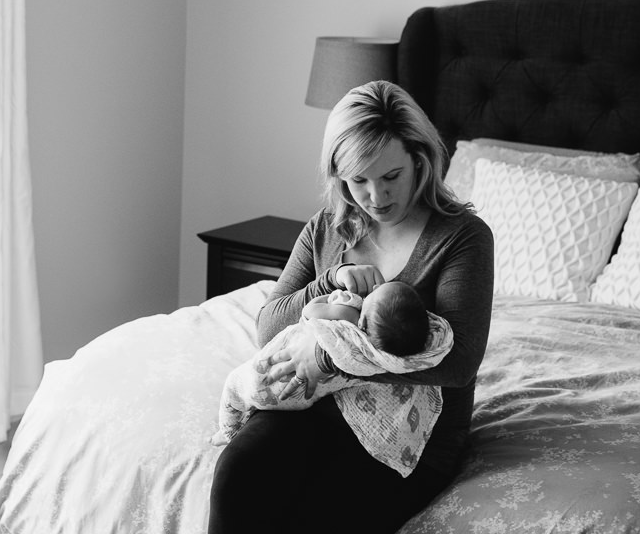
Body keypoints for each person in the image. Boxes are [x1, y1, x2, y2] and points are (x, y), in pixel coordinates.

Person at [207, 80, 495, 534]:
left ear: (420, 160)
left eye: (391, 177)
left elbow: (458, 363)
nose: (376, 197)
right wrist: (330, 280)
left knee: (314, 517)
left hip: (409, 439)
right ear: (338, 174)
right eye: (358, 180)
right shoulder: (325, 229)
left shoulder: (461, 238)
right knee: (236, 475)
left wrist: (328, 356)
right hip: (310, 411)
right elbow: (268, 326)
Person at [212, 282, 452, 476]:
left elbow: (310, 313)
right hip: (305, 400)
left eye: (375, 293)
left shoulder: (348, 315)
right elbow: (266, 328)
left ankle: (228, 428)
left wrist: (328, 300)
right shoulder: (387, 351)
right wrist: (330, 276)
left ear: (364, 322)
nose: (372, 289)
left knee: (236, 384)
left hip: (287, 384)